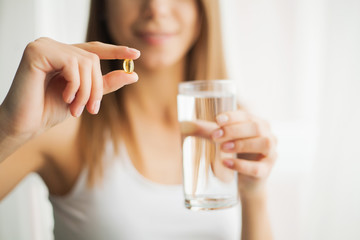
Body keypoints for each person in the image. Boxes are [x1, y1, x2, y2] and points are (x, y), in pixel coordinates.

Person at [0, 0, 277, 239]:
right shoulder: (63, 120)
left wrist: (254, 194)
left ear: (203, 9)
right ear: (103, 7)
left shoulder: (235, 126)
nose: (156, 8)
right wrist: (8, 128)